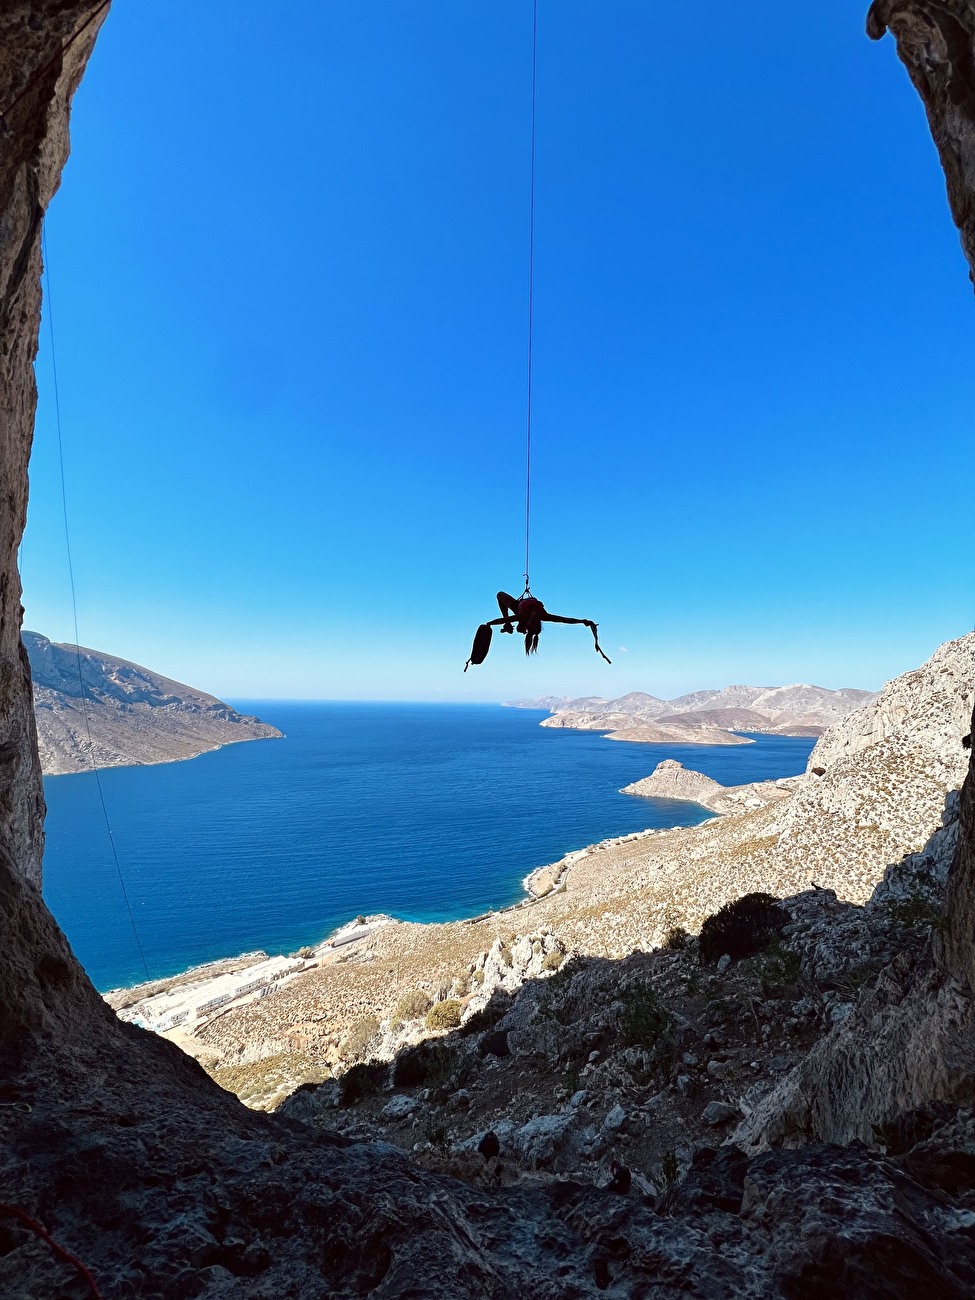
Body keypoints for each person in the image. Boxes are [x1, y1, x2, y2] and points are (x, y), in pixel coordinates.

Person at [464, 590, 611, 670]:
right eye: (526, 631)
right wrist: (584, 622)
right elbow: (565, 620)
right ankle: (508, 628)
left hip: (518, 607)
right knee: (502, 601)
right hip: (519, 609)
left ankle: (508, 628)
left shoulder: (536, 616)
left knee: (500, 595)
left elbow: (565, 619)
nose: (524, 631)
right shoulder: (537, 616)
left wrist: (583, 621)